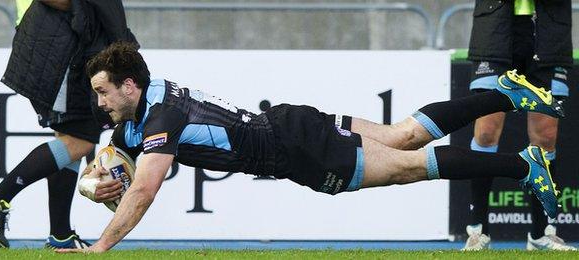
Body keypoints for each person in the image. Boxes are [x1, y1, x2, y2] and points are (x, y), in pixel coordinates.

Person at [58, 42, 563, 253]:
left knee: (410, 165)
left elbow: (143, 191)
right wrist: (98, 181)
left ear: (129, 87)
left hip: (295, 150)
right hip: (290, 123)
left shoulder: (162, 118)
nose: (99, 102)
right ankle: (503, 93)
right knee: (405, 134)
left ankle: (522, 166)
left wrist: (101, 247)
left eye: (104, 92)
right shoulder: (147, 106)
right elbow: (118, 163)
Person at [0, 0, 137, 249]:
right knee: (78, 141)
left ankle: (60, 234)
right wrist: (81, 11)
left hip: (67, 45)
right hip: (61, 48)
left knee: (69, 137)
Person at [462, 0, 575, 251]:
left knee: (545, 136)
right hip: (495, 30)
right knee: (486, 131)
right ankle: (478, 230)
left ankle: (541, 234)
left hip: (547, 33)